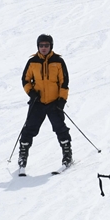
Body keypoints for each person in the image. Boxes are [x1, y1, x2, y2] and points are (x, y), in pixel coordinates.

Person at [18, 34, 72, 171]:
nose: (43, 48)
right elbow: (25, 80)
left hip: (54, 103)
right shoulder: (32, 62)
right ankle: (23, 156)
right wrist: (31, 93)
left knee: (60, 128)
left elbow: (64, 82)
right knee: (29, 129)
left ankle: (67, 154)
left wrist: (62, 100)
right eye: (41, 45)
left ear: (51, 46)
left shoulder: (58, 61)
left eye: (46, 45)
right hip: (38, 102)